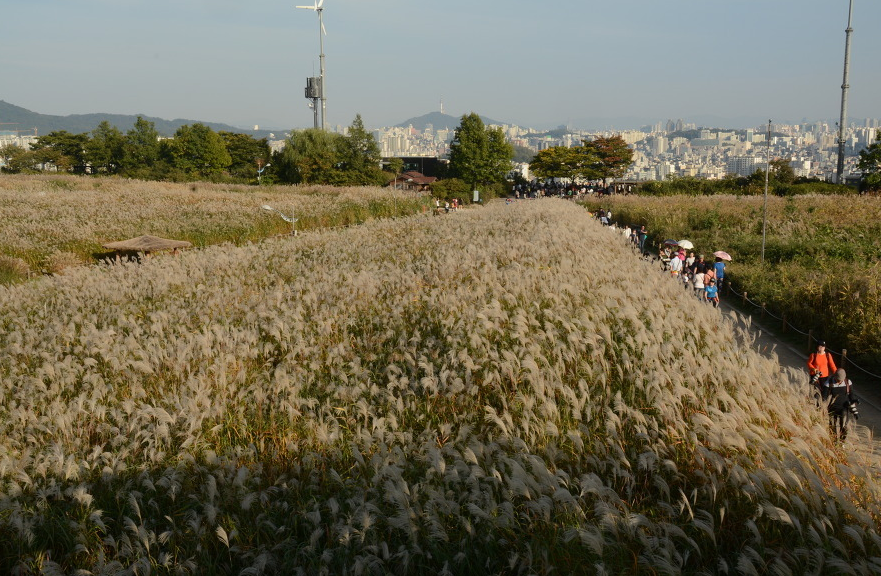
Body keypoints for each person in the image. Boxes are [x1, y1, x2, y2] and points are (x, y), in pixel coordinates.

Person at [827, 368, 858, 442]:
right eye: (838, 379)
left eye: (841, 380)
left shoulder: (848, 382)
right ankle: (833, 442)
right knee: (832, 426)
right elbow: (824, 397)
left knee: (844, 426)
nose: (839, 381)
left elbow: (851, 395)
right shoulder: (829, 383)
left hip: (844, 407)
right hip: (832, 408)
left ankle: (841, 442)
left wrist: (854, 401)